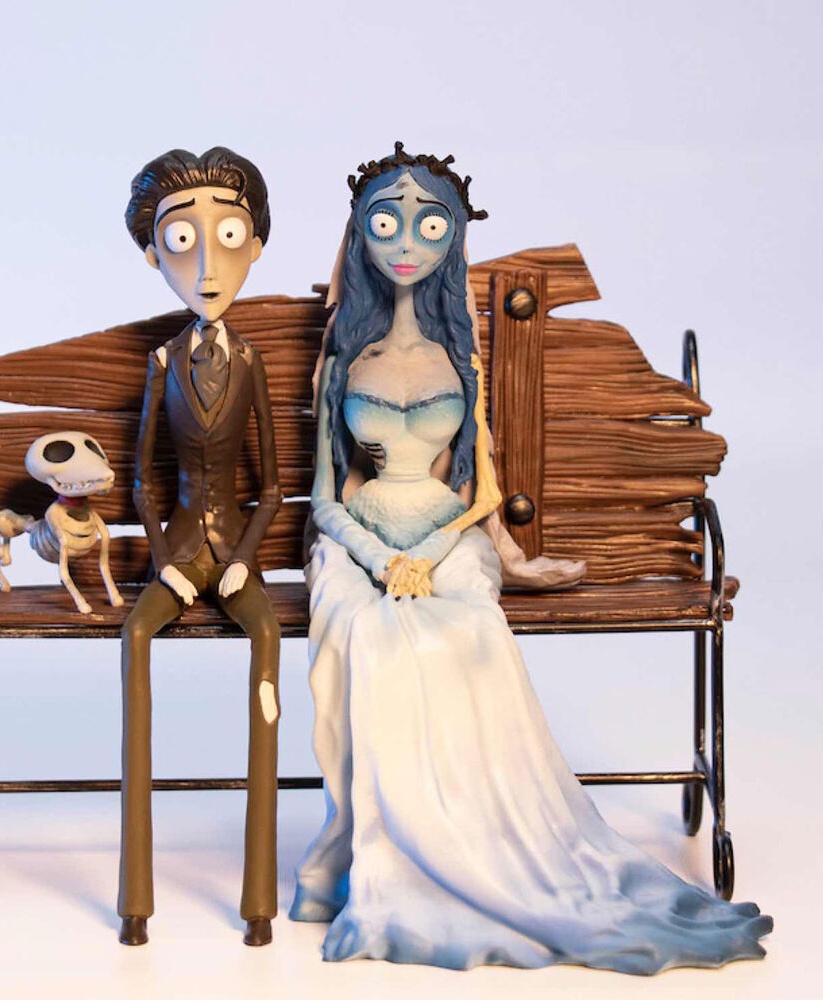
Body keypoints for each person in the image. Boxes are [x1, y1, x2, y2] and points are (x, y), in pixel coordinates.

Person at [289, 142, 772, 973]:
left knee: (466, 629)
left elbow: (479, 490)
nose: (405, 241)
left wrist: (442, 552)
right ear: (358, 233)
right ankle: (380, 845)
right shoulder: (344, 355)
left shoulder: (460, 355)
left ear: (453, 237)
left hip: (447, 537)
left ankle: (480, 836)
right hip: (361, 541)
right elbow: (326, 497)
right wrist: (377, 557)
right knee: (368, 633)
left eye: (429, 225)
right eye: (384, 222)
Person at [119, 147, 282, 948]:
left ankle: (259, 901)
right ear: (156, 256)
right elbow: (143, 481)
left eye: (229, 238)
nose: (208, 266)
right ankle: (136, 899)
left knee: (267, 638)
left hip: (236, 555)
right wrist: (165, 563)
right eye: (183, 243)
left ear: (257, 246)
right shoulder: (163, 364)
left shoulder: (250, 362)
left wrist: (245, 554)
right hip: (181, 553)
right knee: (136, 637)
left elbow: (273, 484)